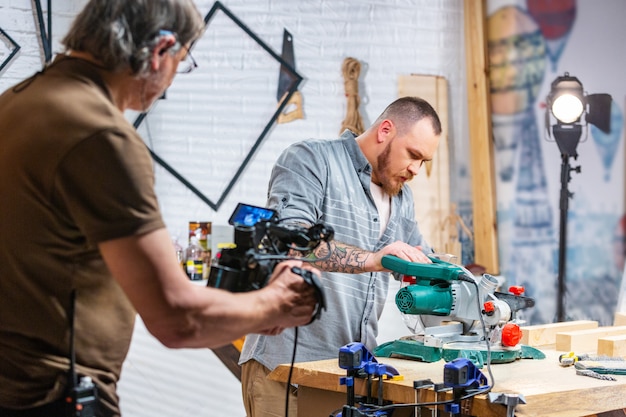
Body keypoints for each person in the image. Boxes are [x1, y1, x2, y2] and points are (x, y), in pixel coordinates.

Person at [0, 1, 320, 416]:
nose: (170, 81)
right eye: (181, 63)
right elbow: (176, 318)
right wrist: (277, 302)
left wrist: (242, 311)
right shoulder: (100, 134)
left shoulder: (17, 101)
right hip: (49, 396)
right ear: (160, 49)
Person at [240, 96, 443, 416]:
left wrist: (458, 278)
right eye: (413, 155)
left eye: (424, 162)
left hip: (352, 377)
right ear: (385, 130)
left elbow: (422, 257)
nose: (416, 169)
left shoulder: (401, 197)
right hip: (287, 371)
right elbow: (291, 241)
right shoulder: (311, 159)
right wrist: (374, 259)